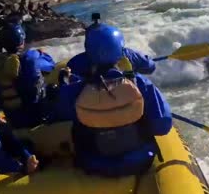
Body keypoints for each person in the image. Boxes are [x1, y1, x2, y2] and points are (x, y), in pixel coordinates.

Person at [58, 23, 172, 177]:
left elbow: (61, 115)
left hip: (93, 164)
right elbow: (162, 126)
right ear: (120, 50)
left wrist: (64, 84)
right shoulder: (141, 84)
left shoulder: (75, 90)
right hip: (140, 161)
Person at [0, 23, 57, 128]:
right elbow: (51, 67)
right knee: (54, 87)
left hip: (12, 117)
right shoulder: (29, 58)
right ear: (22, 41)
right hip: (35, 115)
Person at [66, 14, 156, 78]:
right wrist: (135, 68)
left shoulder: (78, 62)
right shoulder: (128, 55)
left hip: (93, 99)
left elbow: (70, 79)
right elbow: (150, 67)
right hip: (127, 95)